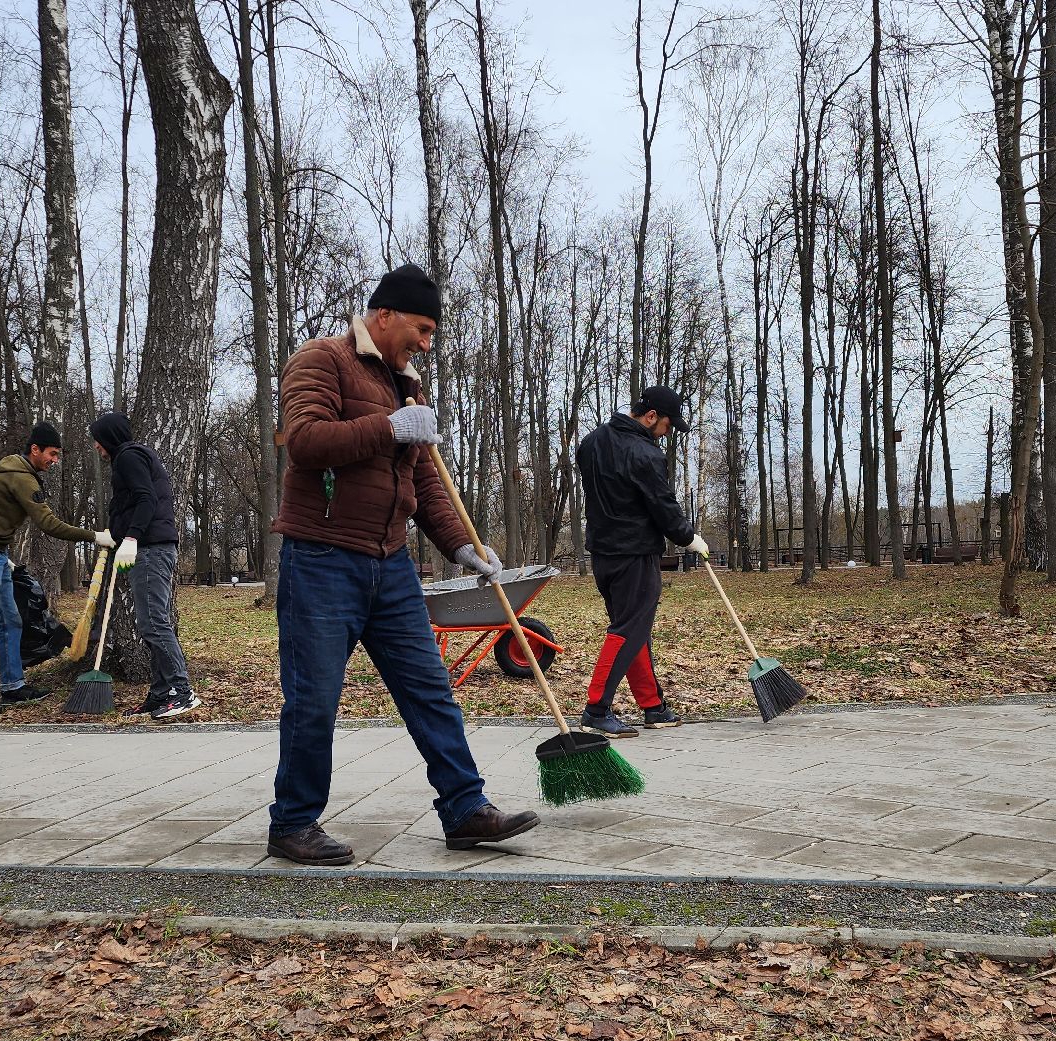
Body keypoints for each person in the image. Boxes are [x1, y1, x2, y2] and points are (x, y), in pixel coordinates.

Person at [265, 263, 540, 866]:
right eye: (420, 328)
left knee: (430, 690)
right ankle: (292, 823)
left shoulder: (408, 386)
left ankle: (466, 809)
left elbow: (425, 481)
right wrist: (387, 426)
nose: (427, 342)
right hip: (320, 560)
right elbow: (306, 440)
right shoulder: (321, 359)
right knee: (313, 700)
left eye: (432, 332)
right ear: (383, 316)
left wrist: (462, 546)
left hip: (390, 567)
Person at [574, 386, 708, 738]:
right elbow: (662, 505)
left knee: (633, 631)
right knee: (627, 631)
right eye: (666, 424)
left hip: (603, 555)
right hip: (634, 554)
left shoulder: (591, 443)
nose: (666, 432)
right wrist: (688, 537)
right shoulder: (645, 453)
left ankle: (652, 707)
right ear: (651, 418)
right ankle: (596, 709)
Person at [0, 421, 110, 713]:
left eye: (57, 455)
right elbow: (49, 524)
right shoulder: (21, 478)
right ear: (35, 449)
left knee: (11, 622)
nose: (54, 460)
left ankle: (13, 686)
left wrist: (1, 553)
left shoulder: (19, 473)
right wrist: (94, 536)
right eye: (51, 454)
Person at [89, 411, 199, 720]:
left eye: (98, 440)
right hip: (150, 547)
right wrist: (119, 533)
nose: (97, 447)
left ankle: (182, 690)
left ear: (109, 438)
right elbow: (134, 501)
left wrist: (132, 538)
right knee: (151, 622)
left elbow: (146, 499)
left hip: (150, 549)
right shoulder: (134, 457)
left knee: (153, 623)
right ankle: (161, 692)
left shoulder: (128, 457)